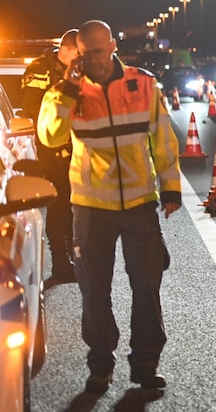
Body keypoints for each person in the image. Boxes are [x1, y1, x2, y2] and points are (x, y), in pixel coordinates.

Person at [37, 20, 182, 392]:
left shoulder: (142, 83)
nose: (94, 60)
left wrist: (170, 189)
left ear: (114, 45)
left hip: (139, 204)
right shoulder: (66, 91)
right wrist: (69, 87)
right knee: (94, 288)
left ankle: (146, 364)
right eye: (86, 54)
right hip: (91, 206)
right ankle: (100, 364)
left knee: (147, 284)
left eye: (100, 52)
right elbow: (50, 136)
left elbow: (163, 138)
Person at [20, 28, 80, 281]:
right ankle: (60, 263)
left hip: (79, 147)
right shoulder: (38, 70)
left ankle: (76, 257)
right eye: (78, 54)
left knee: (78, 207)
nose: (81, 59)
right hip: (51, 149)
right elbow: (33, 109)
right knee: (60, 206)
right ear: (64, 50)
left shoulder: (81, 70)